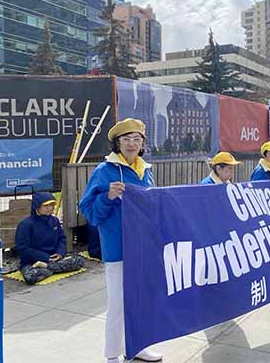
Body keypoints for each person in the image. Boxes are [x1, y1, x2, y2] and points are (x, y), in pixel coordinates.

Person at [79, 118, 162, 363]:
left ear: (142, 143)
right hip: (118, 247)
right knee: (117, 304)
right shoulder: (104, 171)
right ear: (117, 143)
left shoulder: (145, 170)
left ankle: (138, 346)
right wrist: (108, 196)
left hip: (143, 247)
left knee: (142, 299)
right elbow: (88, 210)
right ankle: (113, 355)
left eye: (136, 139)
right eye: (126, 139)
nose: (132, 143)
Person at [15, 192, 84, 285]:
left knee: (78, 261)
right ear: (37, 206)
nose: (49, 208)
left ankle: (47, 268)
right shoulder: (26, 224)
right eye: (45, 206)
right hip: (33, 262)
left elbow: (62, 239)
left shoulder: (54, 221)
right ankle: (51, 268)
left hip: (54, 259)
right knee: (30, 277)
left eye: (51, 205)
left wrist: (59, 253)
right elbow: (23, 248)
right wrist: (45, 257)